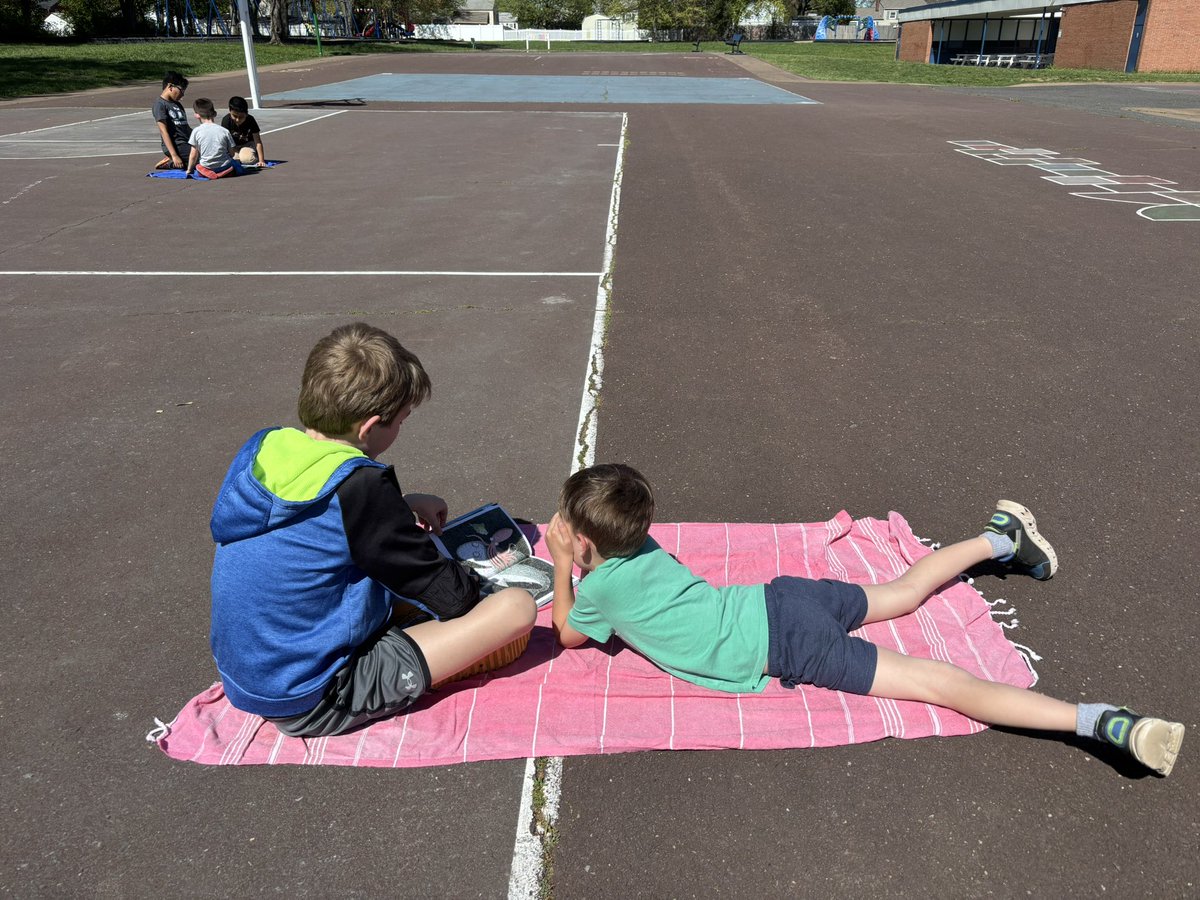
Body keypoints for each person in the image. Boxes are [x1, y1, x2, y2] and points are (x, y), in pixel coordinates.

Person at [546, 464, 1186, 776]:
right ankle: (999, 540)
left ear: (585, 544)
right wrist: (582, 551)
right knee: (902, 592)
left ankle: (1097, 721)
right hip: (782, 599)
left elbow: (570, 631)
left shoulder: (600, 588)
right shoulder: (645, 551)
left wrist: (559, 568)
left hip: (790, 645)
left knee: (940, 683)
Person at [209, 323, 537, 737]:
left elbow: (311, 519)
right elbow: (450, 595)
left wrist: (398, 508)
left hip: (254, 672)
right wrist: (480, 585)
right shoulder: (360, 489)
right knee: (516, 609)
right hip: (313, 695)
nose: (401, 429)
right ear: (369, 428)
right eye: (401, 420)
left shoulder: (266, 448)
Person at [185, 98, 241, 180]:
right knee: (235, 164)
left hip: (207, 166)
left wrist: (189, 170)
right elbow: (232, 153)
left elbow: (193, 154)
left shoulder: (196, 131)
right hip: (224, 165)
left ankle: (207, 173)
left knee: (198, 167)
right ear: (214, 114)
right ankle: (226, 172)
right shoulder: (224, 131)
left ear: (196, 115)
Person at [152, 71, 191, 170]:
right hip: (176, 144)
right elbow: (163, 131)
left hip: (186, 142)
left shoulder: (177, 104)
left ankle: (181, 161)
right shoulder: (160, 104)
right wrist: (174, 155)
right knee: (199, 161)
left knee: (208, 155)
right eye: (181, 90)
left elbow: (185, 126)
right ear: (170, 86)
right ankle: (170, 163)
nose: (182, 95)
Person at [220, 96, 267, 167]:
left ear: (246, 114)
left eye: (241, 117)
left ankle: (252, 155)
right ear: (230, 111)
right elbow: (223, 141)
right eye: (235, 116)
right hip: (233, 147)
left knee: (246, 159)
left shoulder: (251, 120)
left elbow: (257, 141)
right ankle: (238, 155)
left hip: (248, 144)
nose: (237, 120)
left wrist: (261, 161)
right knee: (233, 160)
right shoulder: (226, 121)